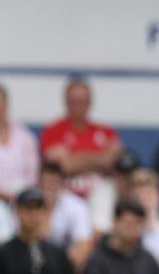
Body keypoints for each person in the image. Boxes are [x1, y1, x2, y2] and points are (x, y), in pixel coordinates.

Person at [40, 77, 123, 205]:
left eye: (82, 101)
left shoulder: (106, 131)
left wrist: (74, 157)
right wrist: (100, 158)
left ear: (90, 102)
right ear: (66, 102)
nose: (79, 105)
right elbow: (62, 166)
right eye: (74, 101)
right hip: (65, 197)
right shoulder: (53, 131)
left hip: (101, 199)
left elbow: (114, 162)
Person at [0, 189, 78, 274]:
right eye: (28, 208)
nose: (34, 214)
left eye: (38, 208)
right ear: (17, 211)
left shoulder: (58, 254)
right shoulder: (4, 254)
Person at [38, 161, 93, 273]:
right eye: (45, 182)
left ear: (62, 184)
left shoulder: (77, 206)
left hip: (63, 268)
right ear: (38, 182)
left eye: (53, 182)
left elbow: (84, 245)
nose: (48, 187)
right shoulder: (25, 203)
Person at [0, 84, 39, 204]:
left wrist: (20, 195)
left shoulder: (25, 136)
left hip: (22, 198)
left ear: (7, 106)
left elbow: (33, 174)